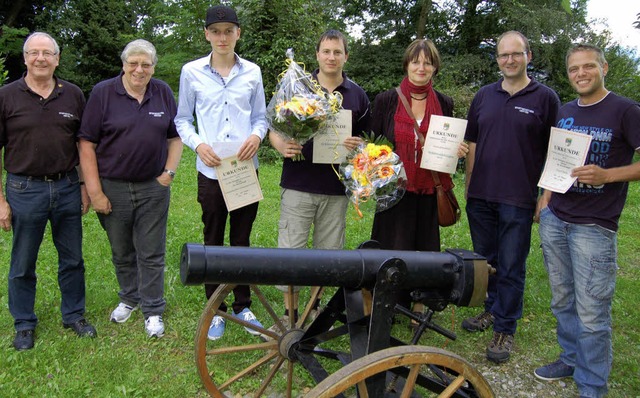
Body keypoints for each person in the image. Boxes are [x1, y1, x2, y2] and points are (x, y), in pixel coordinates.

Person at [534, 44, 640, 398]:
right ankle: (569, 358)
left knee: (593, 310)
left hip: (594, 225)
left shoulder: (625, 110)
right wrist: (546, 199)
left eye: (588, 66)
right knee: (562, 300)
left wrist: (608, 176)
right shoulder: (564, 111)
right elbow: (557, 159)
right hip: (557, 219)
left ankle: (592, 385)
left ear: (604, 67)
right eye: (574, 69)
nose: (581, 73)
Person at [463, 31, 560, 363]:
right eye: (503, 55)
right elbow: (472, 143)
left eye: (515, 54)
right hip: (481, 195)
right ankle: (490, 310)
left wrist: (545, 195)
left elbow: (556, 152)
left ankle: (505, 327)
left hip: (518, 197)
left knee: (512, 265)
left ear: (528, 56)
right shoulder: (484, 96)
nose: (509, 60)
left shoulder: (545, 98)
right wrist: (469, 185)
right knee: (487, 262)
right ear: (498, 60)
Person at [78, 39, 183, 338]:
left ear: (153, 67)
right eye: (133, 63)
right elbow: (86, 143)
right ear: (123, 64)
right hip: (113, 187)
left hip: (153, 187)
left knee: (151, 251)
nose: (139, 70)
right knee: (121, 249)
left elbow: (175, 137)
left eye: (146, 64)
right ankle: (129, 297)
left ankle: (153, 309)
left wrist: (169, 172)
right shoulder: (103, 93)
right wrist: (95, 191)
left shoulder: (162, 91)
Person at [175, 5, 267, 341]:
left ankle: (242, 303)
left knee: (241, 240)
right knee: (212, 240)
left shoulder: (253, 72)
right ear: (207, 35)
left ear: (238, 33)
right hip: (211, 171)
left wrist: (257, 136)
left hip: (244, 170)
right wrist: (199, 145)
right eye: (216, 31)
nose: (222, 37)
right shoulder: (191, 72)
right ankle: (216, 309)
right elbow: (182, 120)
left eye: (229, 30)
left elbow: (261, 117)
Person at [0, 32, 96, 351]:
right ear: (25, 58)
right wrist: (0, 201)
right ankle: (24, 323)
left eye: (47, 53)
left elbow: (82, 144)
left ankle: (74, 314)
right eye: (34, 53)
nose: (40, 58)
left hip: (67, 186)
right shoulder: (7, 96)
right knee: (23, 262)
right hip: (24, 188)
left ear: (57, 58)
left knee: (72, 258)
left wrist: (83, 186)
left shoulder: (73, 95)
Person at [268, 29, 370, 323]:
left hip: (335, 188)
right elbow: (272, 128)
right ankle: (291, 314)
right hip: (299, 183)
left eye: (337, 52)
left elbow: (366, 141)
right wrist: (281, 145)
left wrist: (358, 145)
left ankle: (314, 310)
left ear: (346, 56)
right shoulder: (297, 86)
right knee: (292, 252)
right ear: (317, 55)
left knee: (328, 255)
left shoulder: (358, 95)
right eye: (326, 51)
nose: (331, 57)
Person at [368, 38, 467, 321]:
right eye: (416, 61)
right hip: (395, 190)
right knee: (392, 248)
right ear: (407, 64)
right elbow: (374, 143)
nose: (421, 67)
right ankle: (388, 304)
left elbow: (448, 145)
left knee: (425, 251)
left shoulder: (444, 103)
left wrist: (458, 150)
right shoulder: (387, 100)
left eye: (427, 62)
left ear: (435, 67)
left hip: (428, 189)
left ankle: (419, 308)